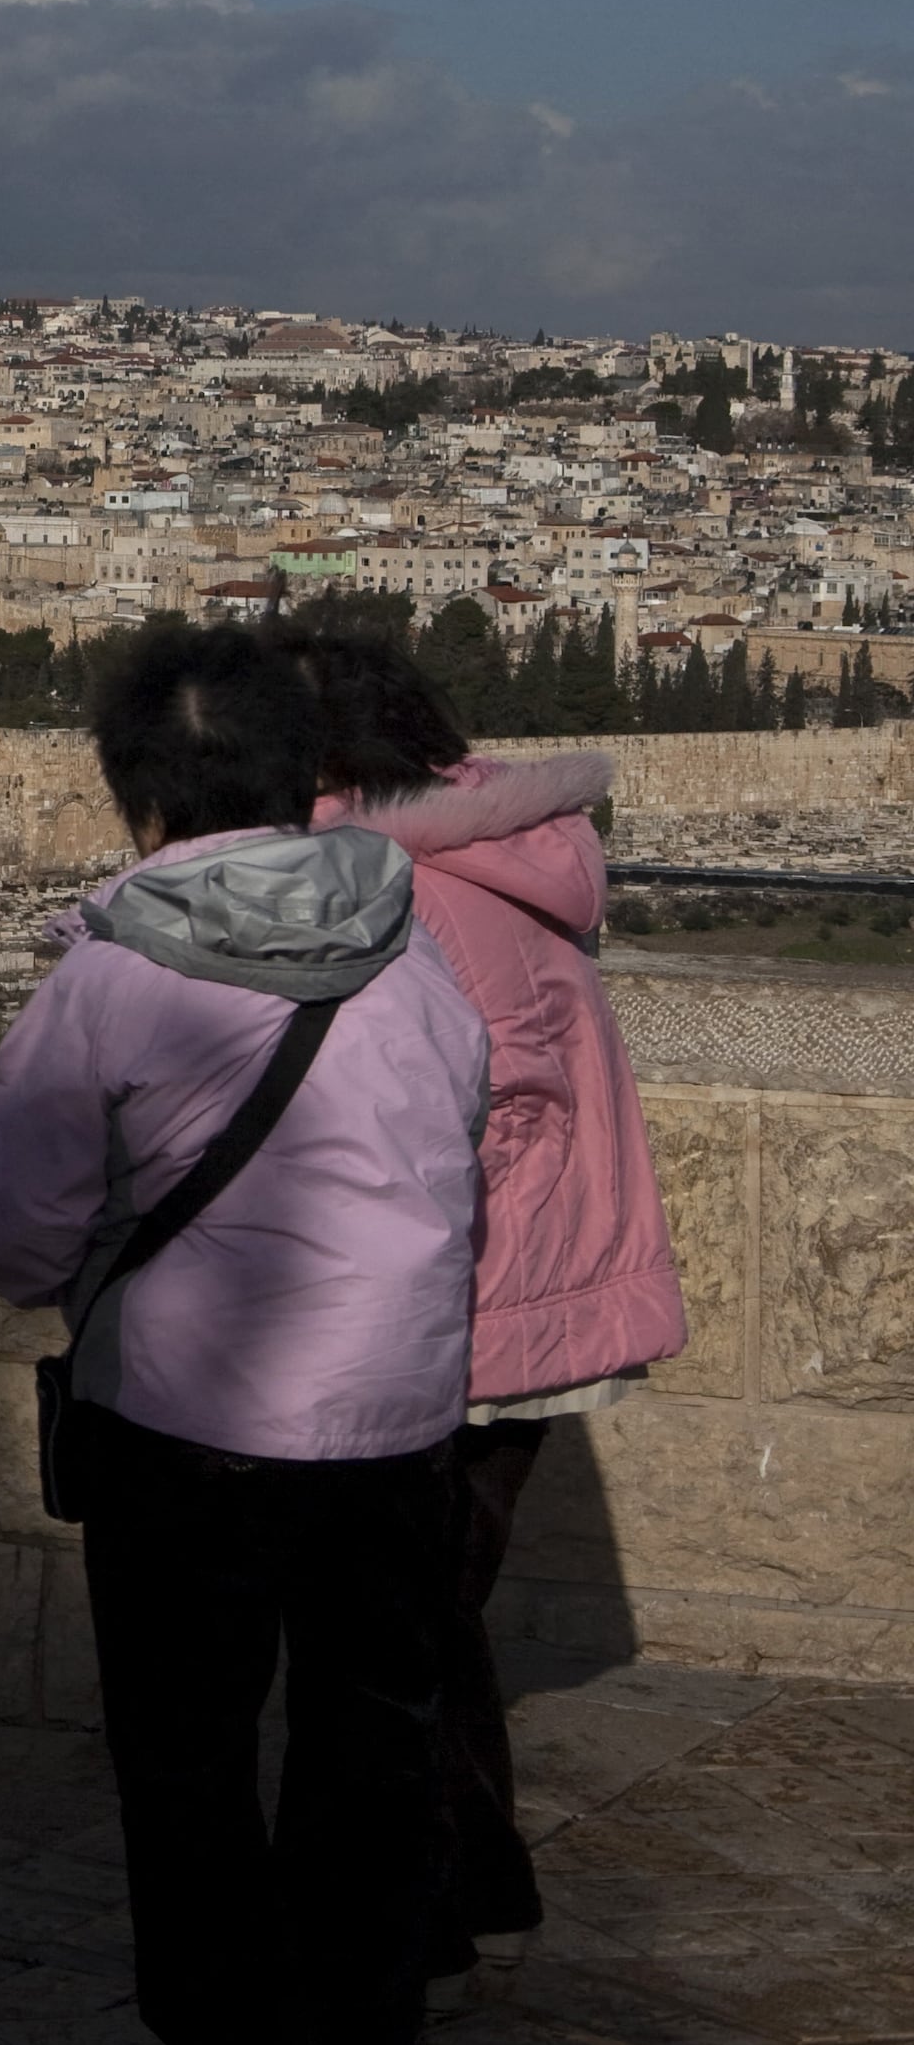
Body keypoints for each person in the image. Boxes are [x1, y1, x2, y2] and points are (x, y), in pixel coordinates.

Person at [0, 625, 491, 2045]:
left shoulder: (110, 980)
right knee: (369, 1734)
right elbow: (462, 1125)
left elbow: (11, 1235)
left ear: (139, 800)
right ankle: (356, 2033)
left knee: (186, 1758)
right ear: (296, 775)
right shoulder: (413, 952)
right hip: (399, 1412)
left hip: (185, 1424)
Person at [292, 630, 684, 1951]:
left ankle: (443, 1894)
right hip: (545, 1293)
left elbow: (479, 1109)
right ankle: (468, 1884)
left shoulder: (401, 882)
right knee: (434, 1605)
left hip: (464, 1304)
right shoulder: (516, 854)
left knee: (402, 1617)